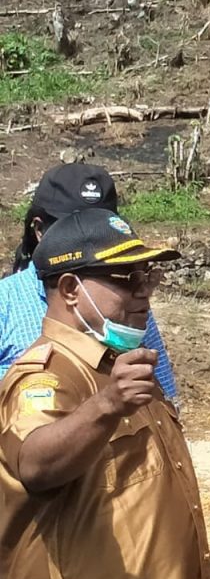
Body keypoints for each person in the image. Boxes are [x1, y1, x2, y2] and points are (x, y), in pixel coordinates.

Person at [0, 208, 210, 579]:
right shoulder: (47, 376)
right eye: (126, 279)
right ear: (70, 290)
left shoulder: (118, 365)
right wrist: (106, 406)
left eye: (147, 276)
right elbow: (34, 464)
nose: (144, 292)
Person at [0, 163, 178, 401]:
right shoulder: (5, 303)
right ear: (40, 230)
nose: (90, 237)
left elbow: (164, 396)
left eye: (103, 227)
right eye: (72, 227)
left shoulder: (127, 309)